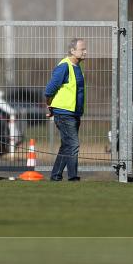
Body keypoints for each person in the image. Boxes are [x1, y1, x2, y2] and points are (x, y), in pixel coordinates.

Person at [45, 38, 87, 182]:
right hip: (63, 113)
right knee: (73, 144)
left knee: (67, 146)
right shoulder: (64, 66)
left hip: (74, 113)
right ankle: (73, 177)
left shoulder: (77, 67)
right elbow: (49, 89)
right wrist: (49, 105)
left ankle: (55, 175)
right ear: (72, 51)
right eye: (82, 49)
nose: (85, 52)